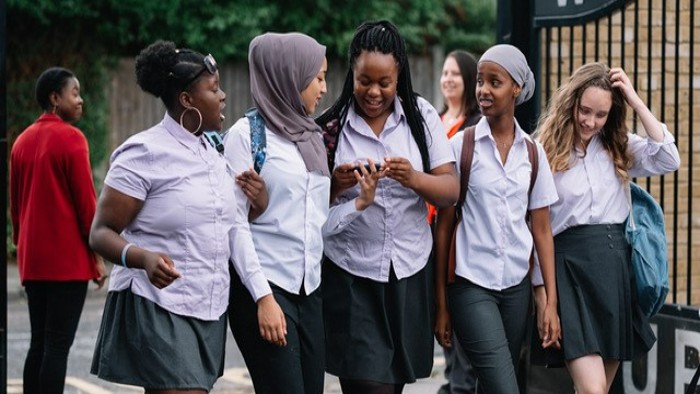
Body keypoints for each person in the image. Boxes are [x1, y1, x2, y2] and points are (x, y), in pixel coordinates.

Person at [317, 20, 459, 394]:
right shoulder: (332, 128)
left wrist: (414, 178)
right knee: (369, 385)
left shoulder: (421, 116)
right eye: (365, 80)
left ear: (400, 76)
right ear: (352, 72)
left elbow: (450, 191)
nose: (374, 92)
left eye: (385, 82)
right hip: (351, 275)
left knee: (392, 385)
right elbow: (308, 208)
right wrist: (337, 184)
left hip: (409, 272)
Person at [89, 40, 237, 393]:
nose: (223, 97)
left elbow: (229, 224)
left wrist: (258, 199)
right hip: (158, 304)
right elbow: (100, 231)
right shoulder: (144, 153)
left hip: (208, 304)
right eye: (214, 89)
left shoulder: (213, 152)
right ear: (187, 100)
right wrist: (142, 257)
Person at [533, 62, 680, 393]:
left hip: (614, 270)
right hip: (568, 272)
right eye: (584, 111)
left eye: (600, 115)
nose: (590, 122)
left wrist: (633, 98)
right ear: (571, 103)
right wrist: (542, 294)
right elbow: (534, 228)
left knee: (594, 390)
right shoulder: (542, 149)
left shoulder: (617, 145)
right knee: (593, 389)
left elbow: (668, 158)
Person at [433, 44, 561, 394]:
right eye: (480, 82)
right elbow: (443, 226)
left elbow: (542, 230)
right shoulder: (462, 145)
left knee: (490, 386)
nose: (483, 91)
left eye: (495, 82)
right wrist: (441, 303)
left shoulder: (533, 154)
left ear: (516, 88)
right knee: (505, 387)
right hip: (470, 284)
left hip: (516, 289)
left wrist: (549, 301)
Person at [223, 32, 332, 394]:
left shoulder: (311, 137)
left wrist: (358, 204)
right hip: (267, 287)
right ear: (290, 76)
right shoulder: (247, 135)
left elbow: (316, 224)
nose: (324, 88)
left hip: (309, 289)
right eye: (317, 78)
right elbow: (234, 226)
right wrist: (263, 297)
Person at [9, 66, 107, 394]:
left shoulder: (21, 142)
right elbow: (87, 206)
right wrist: (97, 256)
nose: (81, 101)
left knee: (38, 344)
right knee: (57, 347)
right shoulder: (72, 138)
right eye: (74, 93)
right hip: (66, 263)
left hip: (33, 260)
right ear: (55, 98)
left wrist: (21, 247)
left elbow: (15, 207)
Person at [432, 50, 481, 394]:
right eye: (444, 73)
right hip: (429, 232)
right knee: (442, 319)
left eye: (456, 74)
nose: (448, 79)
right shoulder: (434, 121)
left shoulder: (474, 129)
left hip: (459, 232)